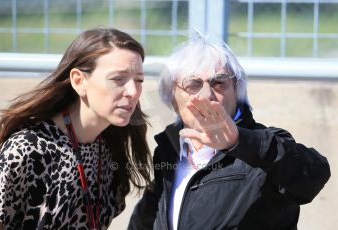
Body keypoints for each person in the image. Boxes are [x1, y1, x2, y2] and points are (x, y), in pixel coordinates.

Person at [128, 33, 331, 230]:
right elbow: (148, 218)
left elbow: (313, 176)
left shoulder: (263, 146)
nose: (207, 95)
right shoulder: (170, 151)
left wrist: (240, 142)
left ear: (236, 91)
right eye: (192, 84)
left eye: (219, 83)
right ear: (171, 97)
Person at [0, 27, 152, 230]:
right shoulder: (27, 150)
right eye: (118, 79)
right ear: (79, 81)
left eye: (139, 80)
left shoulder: (110, 149)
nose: (133, 91)